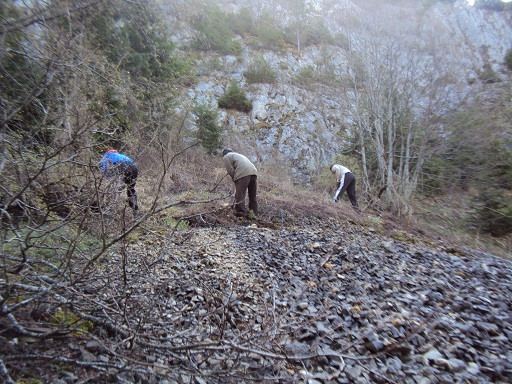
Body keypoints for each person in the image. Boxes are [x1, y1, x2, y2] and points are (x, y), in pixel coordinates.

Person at [222, 148, 258, 218]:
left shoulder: (226, 157)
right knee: (252, 196)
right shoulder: (238, 155)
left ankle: (240, 213)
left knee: (240, 194)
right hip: (254, 172)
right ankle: (254, 214)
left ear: (223, 154)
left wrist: (235, 179)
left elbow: (230, 170)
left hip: (243, 172)